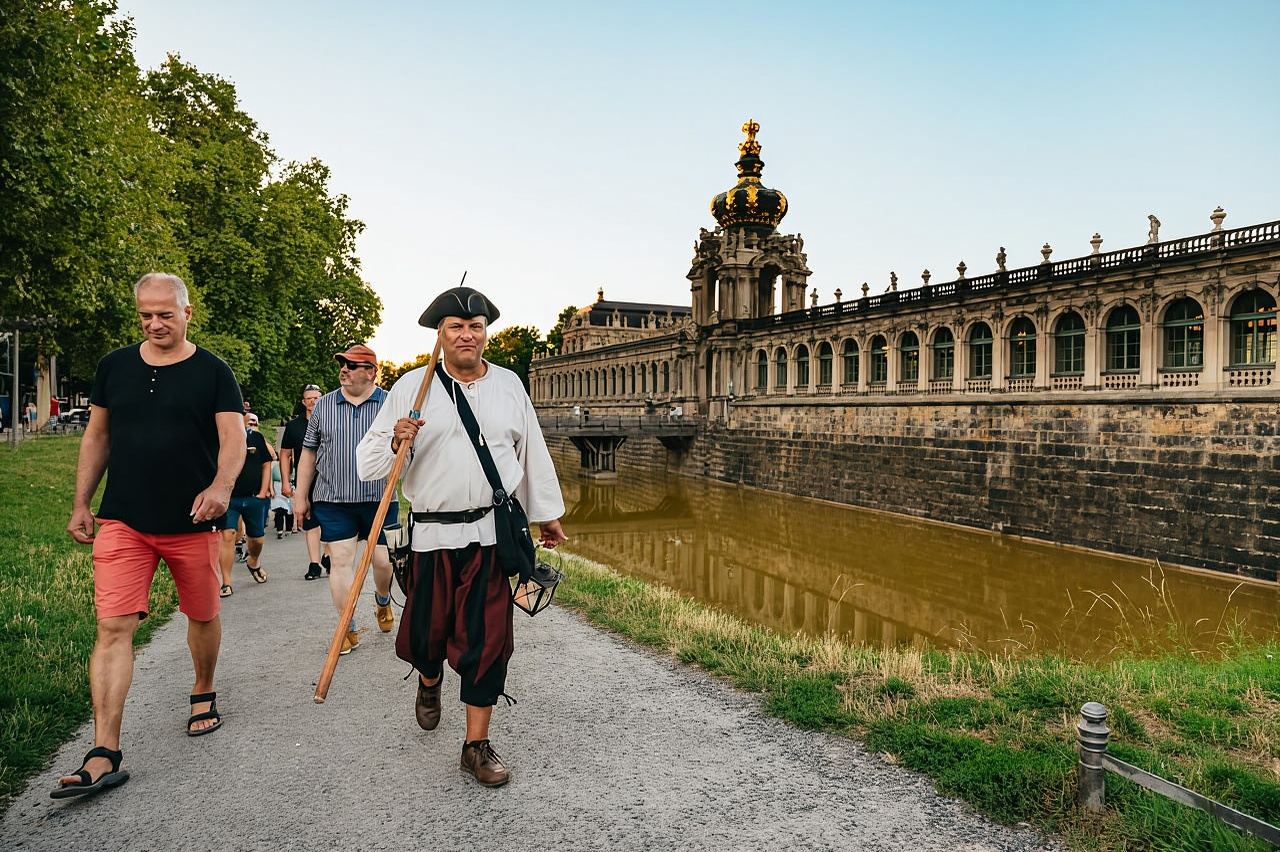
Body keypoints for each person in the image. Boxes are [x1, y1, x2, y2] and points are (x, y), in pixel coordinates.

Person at [357, 285, 566, 788]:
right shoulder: (413, 387)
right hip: (431, 535)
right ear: (440, 335)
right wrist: (395, 439)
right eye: (456, 327)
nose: (467, 335)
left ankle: (475, 745)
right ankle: (430, 682)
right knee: (427, 636)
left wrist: (546, 513)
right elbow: (367, 467)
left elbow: (530, 450)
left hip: (491, 535)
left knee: (489, 640)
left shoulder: (510, 384)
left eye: (475, 327)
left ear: (485, 334)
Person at [56, 272, 245, 799]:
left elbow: (233, 439)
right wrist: (81, 503)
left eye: (165, 313)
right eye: (146, 315)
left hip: (193, 520)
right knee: (113, 626)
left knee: (203, 616)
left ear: (187, 313)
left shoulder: (213, 371)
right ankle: (103, 751)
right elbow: (97, 435)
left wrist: (221, 487)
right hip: (124, 521)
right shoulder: (114, 367)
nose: (155, 323)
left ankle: (203, 687)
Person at [293, 345, 397, 654]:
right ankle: (347, 625)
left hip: (380, 497)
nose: (344, 369)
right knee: (339, 562)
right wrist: (301, 496)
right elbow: (309, 452)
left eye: (352, 365)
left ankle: (382, 599)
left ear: (371, 372)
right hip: (333, 499)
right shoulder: (323, 406)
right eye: (342, 364)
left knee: (383, 561)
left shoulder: (391, 403)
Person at [217, 411, 273, 596]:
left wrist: (263, 491)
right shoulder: (222, 438)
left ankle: (253, 562)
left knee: (256, 539)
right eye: (247, 420)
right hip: (230, 498)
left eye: (253, 421)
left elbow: (266, 464)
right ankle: (226, 582)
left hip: (253, 497)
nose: (250, 423)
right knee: (228, 535)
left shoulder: (256, 438)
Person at [279, 384, 329, 579]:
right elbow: (284, 455)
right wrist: (285, 481)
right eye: (308, 398)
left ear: (322, 399)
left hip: (329, 479)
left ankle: (328, 555)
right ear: (303, 402)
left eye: (316, 397)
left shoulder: (330, 421)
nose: (313, 401)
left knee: (331, 520)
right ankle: (314, 564)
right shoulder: (294, 426)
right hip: (305, 479)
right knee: (310, 521)